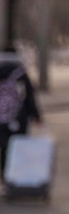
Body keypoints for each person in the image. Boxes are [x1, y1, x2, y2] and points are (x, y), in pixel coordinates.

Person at [0, 46, 43, 179]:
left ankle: (4, 173)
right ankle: (15, 175)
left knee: (3, 147)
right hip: (18, 118)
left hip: (1, 120)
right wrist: (36, 115)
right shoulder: (20, 73)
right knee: (17, 148)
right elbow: (29, 96)